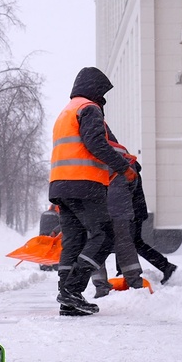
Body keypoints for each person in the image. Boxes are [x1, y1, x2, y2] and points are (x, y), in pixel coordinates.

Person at [49, 67, 135, 316]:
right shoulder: (89, 108)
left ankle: (68, 298)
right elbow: (96, 143)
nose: (103, 99)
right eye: (103, 93)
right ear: (95, 89)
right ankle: (72, 289)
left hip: (61, 185)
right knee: (104, 236)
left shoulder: (66, 112)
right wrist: (124, 167)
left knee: (74, 241)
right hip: (84, 184)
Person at [91, 130, 146, 297]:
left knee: (96, 244)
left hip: (97, 207)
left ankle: (101, 286)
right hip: (121, 208)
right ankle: (134, 281)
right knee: (124, 243)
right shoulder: (123, 153)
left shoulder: (92, 150)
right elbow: (133, 181)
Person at [127, 157, 178, 284]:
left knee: (128, 243)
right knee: (132, 243)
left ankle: (165, 266)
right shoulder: (131, 167)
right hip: (135, 211)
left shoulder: (126, 168)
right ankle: (164, 266)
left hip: (131, 212)